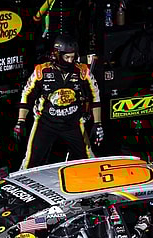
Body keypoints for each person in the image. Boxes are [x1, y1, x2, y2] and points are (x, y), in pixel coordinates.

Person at [16, 34, 101, 170]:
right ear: (57, 55)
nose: (70, 60)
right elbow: (27, 95)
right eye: (67, 57)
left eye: (73, 57)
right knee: (29, 162)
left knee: (89, 159)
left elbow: (95, 96)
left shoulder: (83, 71)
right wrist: (20, 121)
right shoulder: (42, 71)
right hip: (45, 123)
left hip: (73, 124)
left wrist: (98, 123)